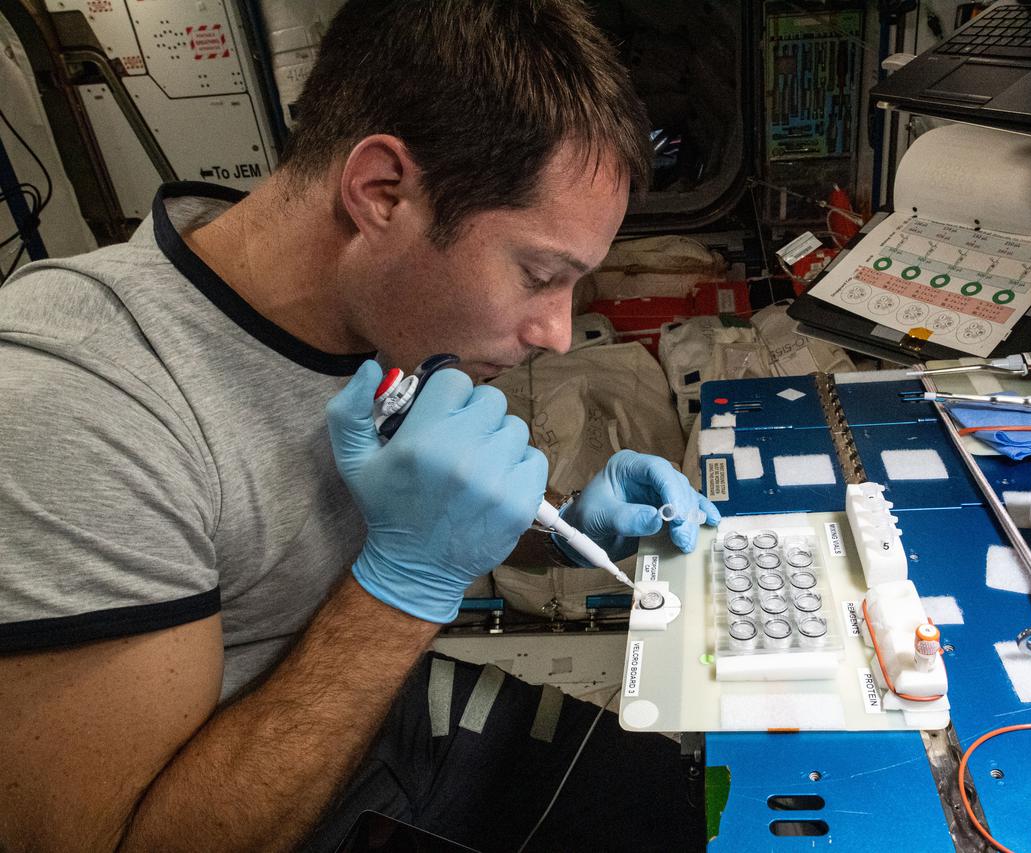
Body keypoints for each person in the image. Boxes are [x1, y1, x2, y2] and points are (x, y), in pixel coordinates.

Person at [0, 1, 719, 850]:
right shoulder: (80, 403)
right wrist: (406, 585)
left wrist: (558, 527)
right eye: (538, 274)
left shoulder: (378, 308)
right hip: (255, 794)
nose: (558, 332)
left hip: (376, 706)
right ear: (382, 192)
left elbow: (423, 508)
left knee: (687, 802)